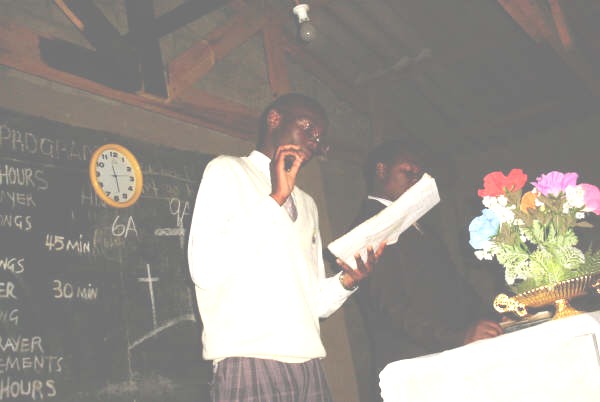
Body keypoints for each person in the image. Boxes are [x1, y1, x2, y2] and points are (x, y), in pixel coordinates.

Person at [187, 93, 385, 402]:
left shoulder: (307, 203)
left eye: (319, 138)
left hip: (309, 365)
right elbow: (204, 269)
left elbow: (315, 303)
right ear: (274, 119)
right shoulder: (227, 171)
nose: (314, 142)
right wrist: (275, 198)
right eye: (308, 128)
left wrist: (348, 280)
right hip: (250, 360)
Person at [352, 139, 503, 402]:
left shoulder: (418, 225)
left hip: (444, 356)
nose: (414, 180)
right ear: (381, 170)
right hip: (413, 365)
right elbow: (391, 308)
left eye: (418, 175)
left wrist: (494, 316)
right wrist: (458, 337)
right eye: (407, 172)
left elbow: (453, 284)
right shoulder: (369, 229)